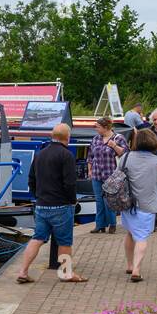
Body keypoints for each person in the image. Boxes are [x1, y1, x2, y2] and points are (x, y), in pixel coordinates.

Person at [13, 123, 86, 283]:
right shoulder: (66, 155)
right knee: (65, 241)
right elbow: (70, 183)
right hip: (61, 205)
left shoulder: (40, 154)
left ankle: (23, 271)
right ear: (68, 137)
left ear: (52, 136)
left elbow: (31, 179)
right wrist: (72, 200)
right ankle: (66, 273)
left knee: (37, 238)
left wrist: (37, 195)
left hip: (41, 204)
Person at [119, 126, 157, 282]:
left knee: (129, 232)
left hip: (127, 203)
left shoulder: (125, 158)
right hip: (147, 205)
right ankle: (136, 269)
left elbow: (118, 179)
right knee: (141, 237)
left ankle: (129, 265)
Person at [88, 115, 127, 234]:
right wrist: (89, 170)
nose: (96, 129)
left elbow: (125, 154)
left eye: (98, 127)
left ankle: (112, 224)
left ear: (105, 127)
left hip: (111, 175)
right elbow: (90, 156)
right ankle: (100, 225)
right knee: (99, 200)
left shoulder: (118, 138)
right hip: (96, 174)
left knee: (109, 200)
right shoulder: (96, 139)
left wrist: (114, 146)